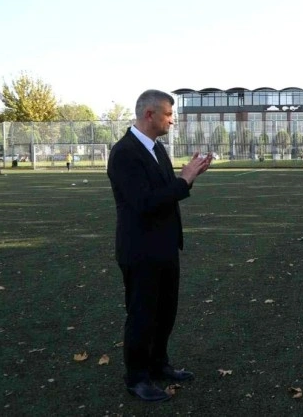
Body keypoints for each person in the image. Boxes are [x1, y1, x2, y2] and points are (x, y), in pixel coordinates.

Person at [108, 89, 212, 402]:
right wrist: (183, 181)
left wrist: (187, 178)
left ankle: (158, 364)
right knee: (142, 314)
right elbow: (143, 203)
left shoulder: (157, 148)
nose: (172, 120)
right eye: (168, 114)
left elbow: (166, 191)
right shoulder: (125, 153)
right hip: (140, 250)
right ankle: (137, 378)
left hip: (165, 246)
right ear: (150, 114)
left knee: (165, 312)